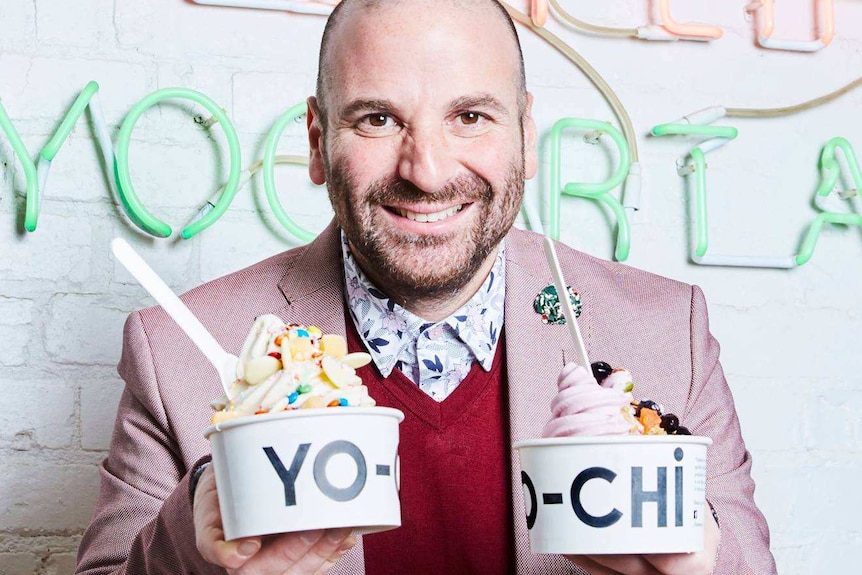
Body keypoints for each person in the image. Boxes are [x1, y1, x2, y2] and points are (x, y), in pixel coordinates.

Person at [76, 1, 777, 574]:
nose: (428, 169)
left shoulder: (665, 332)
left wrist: (700, 559)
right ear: (318, 142)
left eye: (469, 116)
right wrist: (195, 541)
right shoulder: (177, 350)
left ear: (526, 136)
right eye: (378, 119)